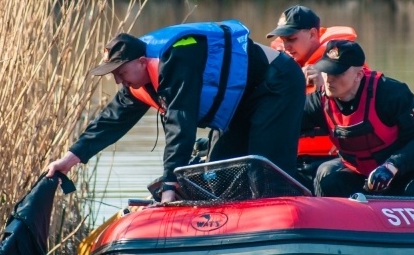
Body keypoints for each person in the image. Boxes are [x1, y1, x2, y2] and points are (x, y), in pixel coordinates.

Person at [44, 20, 306, 203]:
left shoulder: (175, 60)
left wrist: (171, 184)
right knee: (219, 175)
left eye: (120, 73)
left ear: (142, 63)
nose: (117, 81)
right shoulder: (138, 77)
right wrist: (69, 160)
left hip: (276, 84)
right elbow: (108, 122)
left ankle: (301, 207)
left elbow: (180, 123)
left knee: (264, 171)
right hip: (242, 100)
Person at [302, 39, 414, 198]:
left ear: (359, 75)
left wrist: (391, 167)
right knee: (326, 175)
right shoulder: (318, 102)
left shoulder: (390, 94)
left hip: (408, 175)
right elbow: (284, 125)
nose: (329, 79)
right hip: (362, 178)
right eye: (326, 71)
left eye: (337, 73)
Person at [266, 5, 359, 189]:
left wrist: (326, 89)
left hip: (334, 160)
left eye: (292, 39)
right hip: (291, 160)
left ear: (313, 34)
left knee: (328, 178)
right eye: (283, 40)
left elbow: (363, 110)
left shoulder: (347, 64)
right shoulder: (278, 69)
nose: (286, 46)